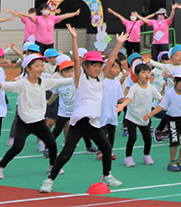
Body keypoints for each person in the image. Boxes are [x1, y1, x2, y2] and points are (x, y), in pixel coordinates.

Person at [41, 26, 125, 193]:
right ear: (86, 66)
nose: (97, 68)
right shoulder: (80, 79)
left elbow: (111, 61)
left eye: (99, 65)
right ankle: (49, 180)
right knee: (66, 154)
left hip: (94, 123)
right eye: (93, 65)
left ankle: (106, 175)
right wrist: (73, 38)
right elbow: (77, 61)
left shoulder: (100, 78)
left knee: (107, 148)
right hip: (80, 122)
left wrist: (118, 44)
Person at [0, 51, 72, 180]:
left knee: (52, 143)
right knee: (17, 147)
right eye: (37, 66)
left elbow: (60, 82)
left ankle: (52, 165)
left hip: (39, 122)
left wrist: (77, 78)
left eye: (42, 65)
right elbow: (10, 85)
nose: (41, 68)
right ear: (28, 69)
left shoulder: (44, 82)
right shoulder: (22, 83)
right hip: (23, 123)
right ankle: (0, 167)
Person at [142, 65, 181, 173]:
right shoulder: (170, 93)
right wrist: (151, 113)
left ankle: (180, 160)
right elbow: (161, 106)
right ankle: (172, 161)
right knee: (174, 142)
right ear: (175, 82)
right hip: (172, 120)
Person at [119, 62, 162, 167]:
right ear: (137, 76)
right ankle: (128, 157)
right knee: (132, 138)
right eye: (143, 72)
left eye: (148, 72)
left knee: (147, 138)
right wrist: (123, 104)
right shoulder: (134, 87)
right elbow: (128, 99)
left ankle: (146, 155)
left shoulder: (152, 88)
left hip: (145, 118)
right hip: (132, 117)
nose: (147, 74)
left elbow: (161, 99)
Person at [13, 5, 81, 54]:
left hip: (50, 43)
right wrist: (19, 13)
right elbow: (30, 16)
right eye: (45, 9)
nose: (47, 11)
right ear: (41, 11)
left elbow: (64, 16)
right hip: (40, 42)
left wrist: (74, 13)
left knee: (50, 57)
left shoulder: (52, 18)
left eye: (48, 9)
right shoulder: (38, 18)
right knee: (39, 57)